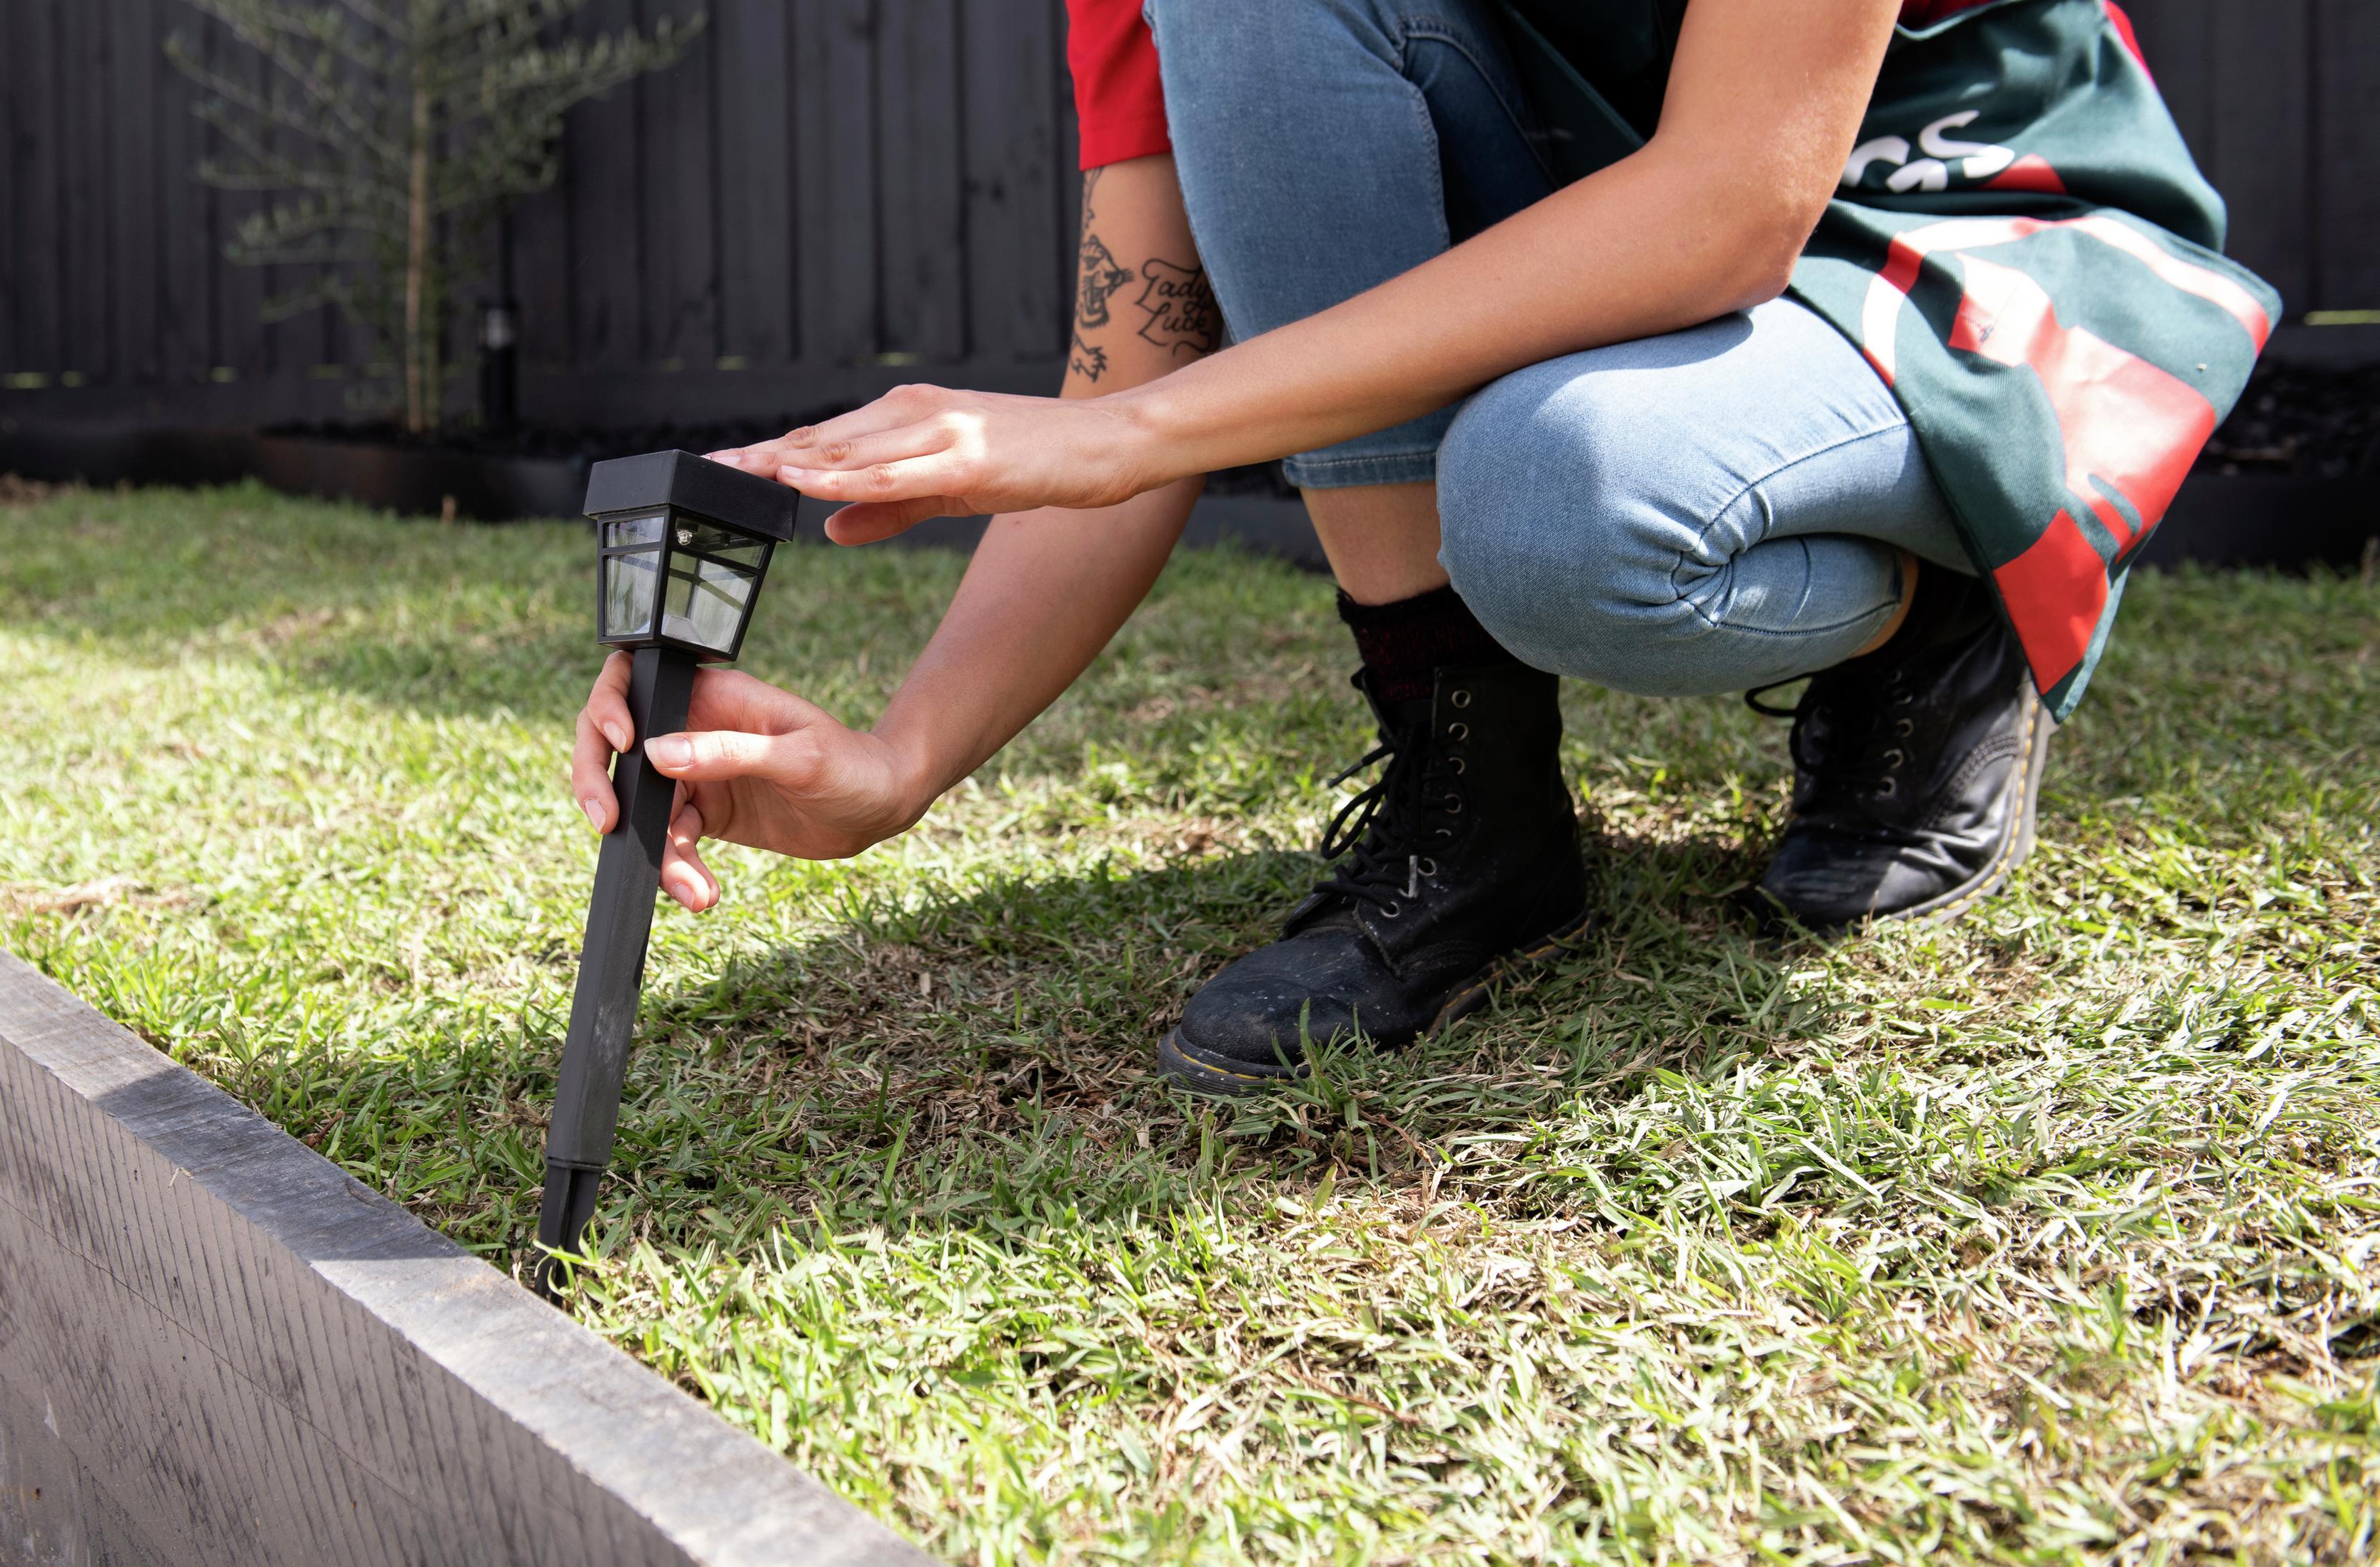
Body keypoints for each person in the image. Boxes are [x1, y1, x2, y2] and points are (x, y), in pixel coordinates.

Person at [571, 0, 2274, 1094]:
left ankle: (1946, 607)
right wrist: (893, 758)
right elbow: (1138, 365)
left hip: (1943, 213)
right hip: (1622, 226)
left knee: (1566, 504)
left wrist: (1122, 434)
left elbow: (1732, 200)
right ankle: (1475, 807)